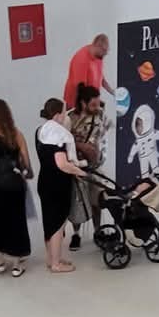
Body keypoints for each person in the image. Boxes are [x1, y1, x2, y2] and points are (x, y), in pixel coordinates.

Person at [35, 99, 90, 274]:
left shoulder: (41, 130)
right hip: (58, 185)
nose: (66, 115)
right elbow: (62, 164)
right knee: (58, 225)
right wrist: (80, 172)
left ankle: (51, 258)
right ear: (58, 114)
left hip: (44, 181)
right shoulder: (60, 134)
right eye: (65, 112)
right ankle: (56, 264)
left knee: (49, 223)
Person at [0, 98, 34, 275]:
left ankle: (0, 260)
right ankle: (17, 263)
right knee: (17, 221)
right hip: (16, 186)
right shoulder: (17, 134)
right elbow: (27, 163)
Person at [66, 84, 107, 249]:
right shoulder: (69, 119)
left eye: (98, 104)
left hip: (94, 165)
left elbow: (100, 137)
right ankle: (76, 234)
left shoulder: (99, 115)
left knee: (97, 199)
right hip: (76, 166)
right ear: (83, 103)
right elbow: (64, 141)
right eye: (93, 104)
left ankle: (98, 231)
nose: (97, 107)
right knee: (77, 203)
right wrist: (81, 146)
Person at [63, 32, 114, 108]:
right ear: (97, 46)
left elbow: (100, 77)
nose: (105, 54)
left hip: (90, 100)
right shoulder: (82, 59)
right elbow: (81, 88)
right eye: (104, 51)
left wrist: (112, 91)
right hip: (77, 103)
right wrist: (94, 104)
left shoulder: (98, 57)